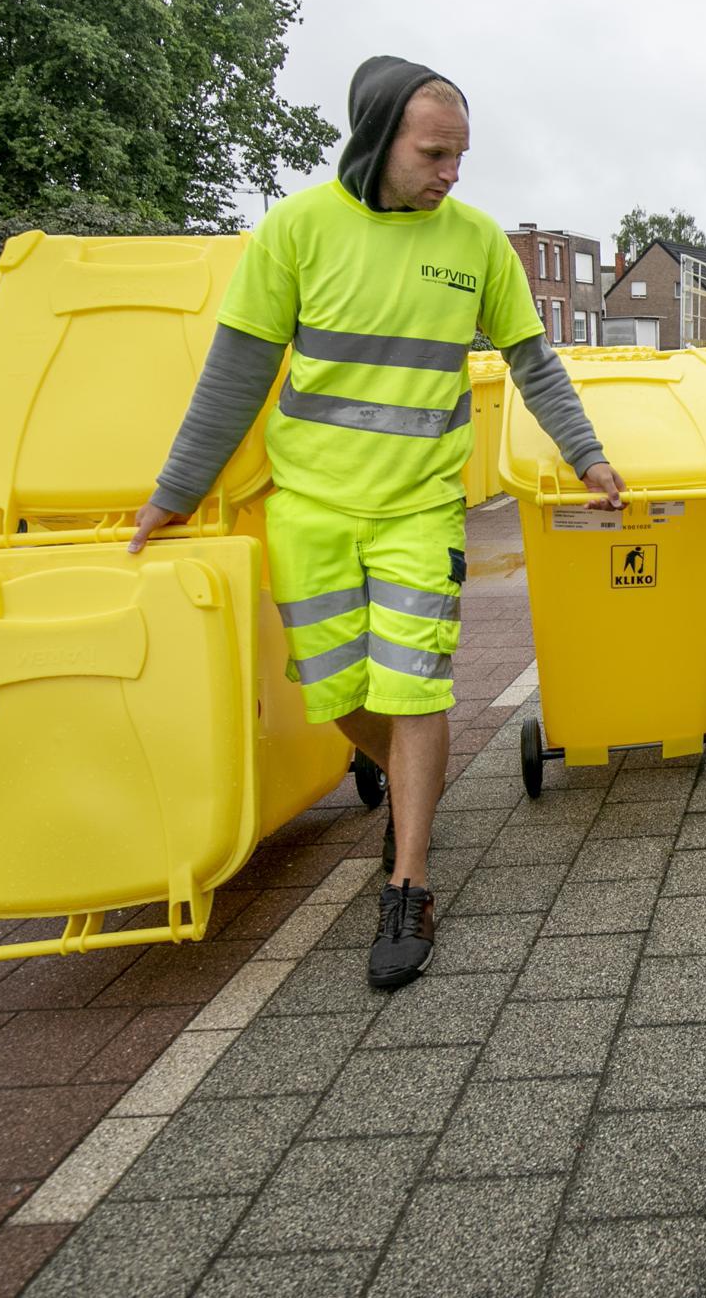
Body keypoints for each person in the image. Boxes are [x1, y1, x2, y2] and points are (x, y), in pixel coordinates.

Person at [129, 55, 623, 992]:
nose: (451, 173)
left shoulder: (475, 242)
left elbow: (534, 362)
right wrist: (175, 491)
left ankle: (408, 883)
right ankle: (404, 781)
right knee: (337, 695)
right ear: (377, 137)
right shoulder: (295, 231)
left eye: (461, 155)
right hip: (310, 510)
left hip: (420, 507)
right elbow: (236, 374)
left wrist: (586, 454)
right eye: (434, 154)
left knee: (413, 688)